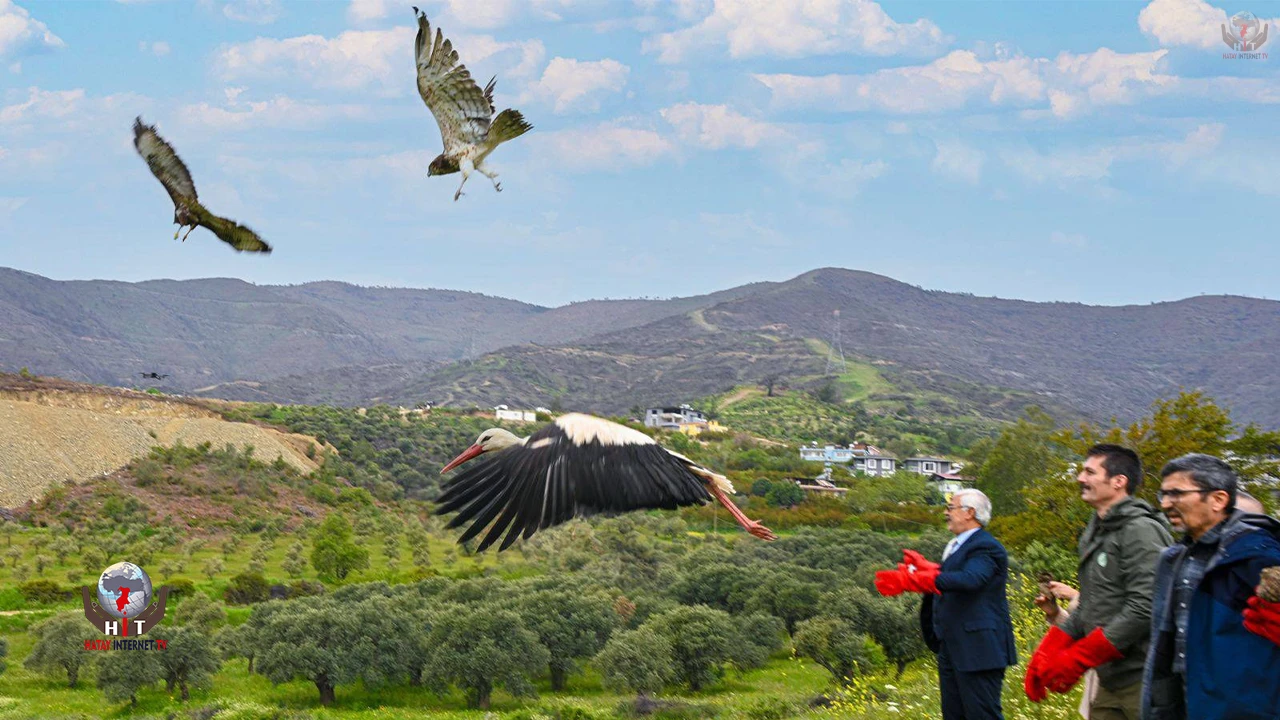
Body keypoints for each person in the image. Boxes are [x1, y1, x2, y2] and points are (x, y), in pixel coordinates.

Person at [1025, 444, 1171, 720]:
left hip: (1144, 679)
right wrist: (1050, 648)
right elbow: (1091, 602)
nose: (1080, 478)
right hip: (1110, 678)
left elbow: (1146, 606)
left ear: (1118, 482)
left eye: (1090, 472)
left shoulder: (1141, 530)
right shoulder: (1095, 530)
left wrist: (1079, 657)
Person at [1141, 453, 1280, 719]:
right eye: (1163, 495)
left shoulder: (1258, 554)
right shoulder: (1173, 558)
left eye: (1177, 494)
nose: (1167, 503)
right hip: (1183, 702)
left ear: (1218, 499)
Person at [875, 488, 1016, 720]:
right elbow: (956, 574)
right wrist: (928, 569)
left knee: (982, 715)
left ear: (969, 512)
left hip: (978, 648)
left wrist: (917, 579)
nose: (946, 512)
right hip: (954, 646)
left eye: (951, 508)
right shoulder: (959, 545)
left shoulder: (985, 546)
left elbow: (972, 579)